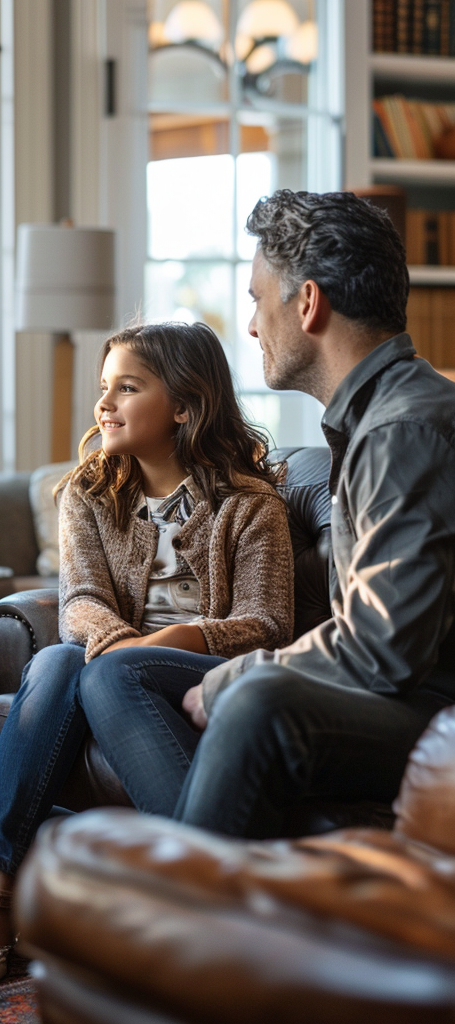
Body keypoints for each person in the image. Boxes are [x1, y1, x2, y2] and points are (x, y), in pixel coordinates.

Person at [0, 320, 294, 987]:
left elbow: (267, 622)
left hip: (202, 671)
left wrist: (175, 640)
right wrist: (122, 647)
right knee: (55, 661)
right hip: (117, 664)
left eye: (127, 388)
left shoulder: (251, 505)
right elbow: (80, 603)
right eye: (104, 388)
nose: (104, 404)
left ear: (185, 406)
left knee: (99, 668)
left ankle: (199, 893)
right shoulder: (90, 493)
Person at [168, 189, 455, 837]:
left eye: (256, 300)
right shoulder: (383, 417)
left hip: (436, 707)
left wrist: (235, 677)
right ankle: (173, 881)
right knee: (131, 670)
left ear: (308, 302)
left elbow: (384, 653)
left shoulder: (402, 430)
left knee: (258, 701)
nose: (249, 326)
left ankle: (174, 918)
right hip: (411, 694)